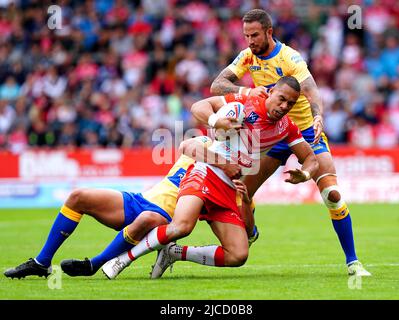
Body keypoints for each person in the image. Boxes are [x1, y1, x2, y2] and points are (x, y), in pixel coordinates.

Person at [101, 75, 319, 280]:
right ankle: (123, 260)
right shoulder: (247, 101)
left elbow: (311, 159)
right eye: (281, 99)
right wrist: (216, 121)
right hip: (205, 173)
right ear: (271, 92)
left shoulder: (287, 128)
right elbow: (199, 107)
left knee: (238, 255)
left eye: (289, 104)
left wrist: (306, 173)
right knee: (181, 227)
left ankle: (174, 253)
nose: (284, 107)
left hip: (230, 190)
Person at [210, 9, 370, 276]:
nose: (250, 40)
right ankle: (251, 233)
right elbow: (218, 84)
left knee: (333, 195)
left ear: (269, 32)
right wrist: (246, 91)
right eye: (246, 35)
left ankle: (353, 262)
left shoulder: (290, 57)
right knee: (242, 194)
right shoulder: (247, 56)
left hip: (305, 132)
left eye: (255, 35)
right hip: (273, 134)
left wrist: (318, 116)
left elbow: (311, 90)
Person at [3, 136, 229, 279]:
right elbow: (187, 145)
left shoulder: (232, 168)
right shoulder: (203, 144)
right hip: (141, 199)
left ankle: (94, 264)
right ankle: (41, 262)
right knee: (77, 197)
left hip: (166, 217)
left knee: (147, 219)